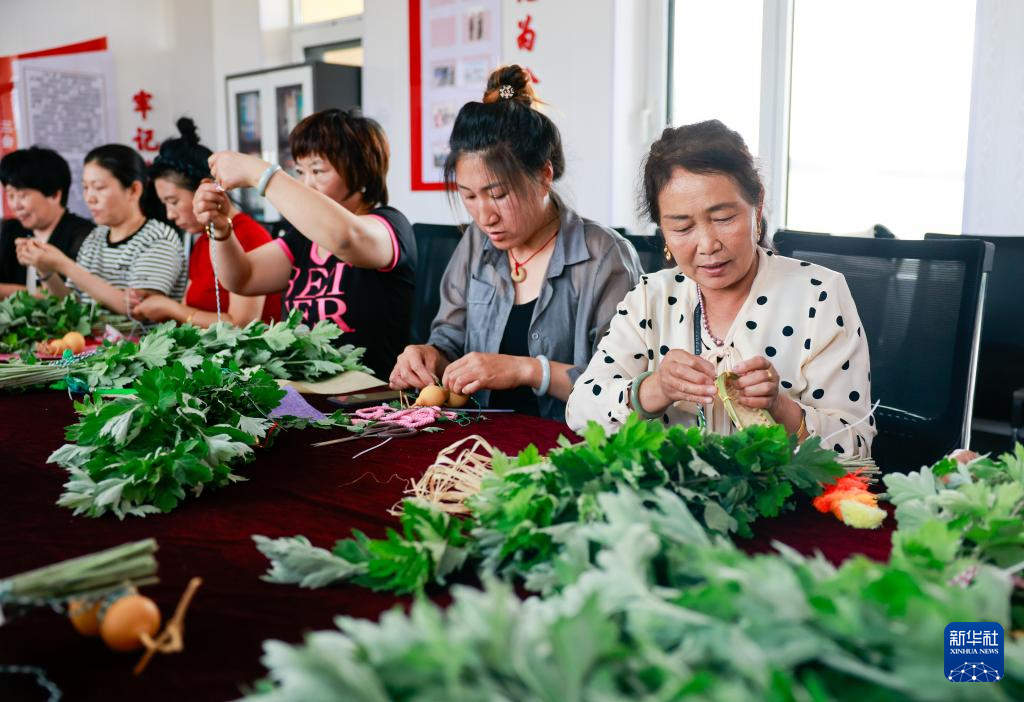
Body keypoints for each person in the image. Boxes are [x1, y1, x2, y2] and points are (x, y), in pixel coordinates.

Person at [565, 120, 874, 457]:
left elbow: (856, 449)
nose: (707, 244)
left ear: (757, 204)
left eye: (724, 219)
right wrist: (655, 389)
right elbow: (580, 411)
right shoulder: (650, 298)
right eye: (682, 227)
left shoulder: (819, 295)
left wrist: (779, 408)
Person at [389, 65, 643, 421]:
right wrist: (430, 356)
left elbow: (625, 387)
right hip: (481, 438)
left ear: (544, 176)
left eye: (498, 195)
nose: (484, 216)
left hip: (570, 445)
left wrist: (528, 370)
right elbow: (451, 338)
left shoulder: (603, 257)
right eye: (469, 196)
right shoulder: (476, 243)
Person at [198, 108, 415, 377]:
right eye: (300, 171)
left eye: (318, 170)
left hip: (372, 394)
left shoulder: (390, 226)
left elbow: (345, 238)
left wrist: (258, 174)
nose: (306, 184)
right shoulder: (302, 240)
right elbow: (243, 277)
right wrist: (222, 229)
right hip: (306, 390)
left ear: (361, 171)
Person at [130, 117, 279, 327]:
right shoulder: (203, 241)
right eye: (165, 204)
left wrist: (170, 308)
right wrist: (157, 304)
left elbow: (242, 325)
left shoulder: (249, 236)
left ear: (205, 187)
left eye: (173, 202)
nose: (170, 214)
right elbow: (190, 307)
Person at [15, 144, 186, 315]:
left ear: (134, 190)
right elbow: (71, 306)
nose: (90, 198)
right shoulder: (95, 237)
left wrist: (64, 265)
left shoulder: (158, 238)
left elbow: (138, 310)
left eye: (99, 187)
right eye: (85, 187)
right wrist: (45, 268)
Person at [0, 146, 93, 298]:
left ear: (54, 195)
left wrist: (4, 291)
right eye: (10, 195)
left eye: (23, 196)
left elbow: (76, 299)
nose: (16, 205)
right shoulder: (10, 230)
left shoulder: (84, 236)